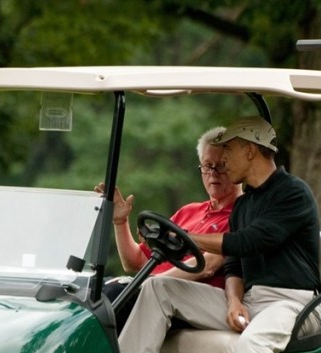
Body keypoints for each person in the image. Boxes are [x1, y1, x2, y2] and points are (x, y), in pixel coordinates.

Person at [118, 116, 321, 353]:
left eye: (227, 152)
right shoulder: (246, 205)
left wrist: (187, 237)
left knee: (255, 341)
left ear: (250, 150)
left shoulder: (292, 193)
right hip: (255, 300)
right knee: (158, 288)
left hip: (295, 303)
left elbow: (249, 242)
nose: (223, 161)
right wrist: (233, 301)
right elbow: (235, 264)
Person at [96, 126, 241, 331]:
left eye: (222, 166)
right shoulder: (190, 211)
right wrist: (120, 222)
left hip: (189, 299)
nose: (213, 174)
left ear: (237, 167)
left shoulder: (242, 214)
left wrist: (147, 283)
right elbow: (135, 262)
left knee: (115, 295)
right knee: (90, 291)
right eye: (208, 166)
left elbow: (207, 266)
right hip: (155, 288)